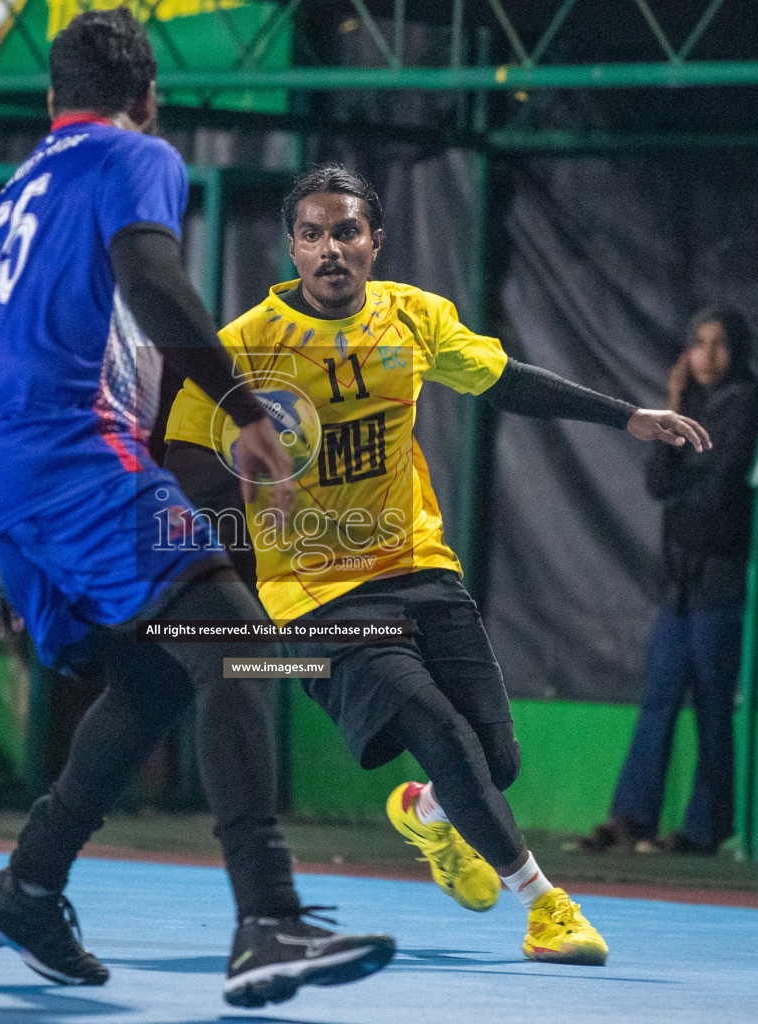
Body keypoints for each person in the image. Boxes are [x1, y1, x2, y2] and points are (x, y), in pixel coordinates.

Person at [0, 11, 393, 1007]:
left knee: (153, 675)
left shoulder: (11, 196)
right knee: (239, 642)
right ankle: (266, 916)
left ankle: (28, 885)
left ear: (50, 100)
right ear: (148, 99)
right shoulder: (133, 155)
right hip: (69, 453)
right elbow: (151, 276)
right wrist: (240, 411)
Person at [161, 165, 711, 966]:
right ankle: (545, 906)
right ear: (291, 248)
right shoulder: (242, 348)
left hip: (417, 563)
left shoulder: (414, 318)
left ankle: (427, 814)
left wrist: (626, 415)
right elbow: (174, 456)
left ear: (375, 242)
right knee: (439, 728)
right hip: (316, 594)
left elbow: (505, 381)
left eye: (345, 232)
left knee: (495, 760)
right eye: (311, 235)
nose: (329, 250)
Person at [579, 306, 758, 856]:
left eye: (720, 343)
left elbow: (724, 483)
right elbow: (659, 482)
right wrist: (676, 405)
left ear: (738, 352)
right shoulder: (687, 405)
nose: (708, 354)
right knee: (658, 699)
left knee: (712, 704)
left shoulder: (747, 402)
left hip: (720, 583)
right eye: (699, 342)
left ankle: (703, 831)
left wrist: (691, 480)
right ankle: (630, 820)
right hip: (678, 587)